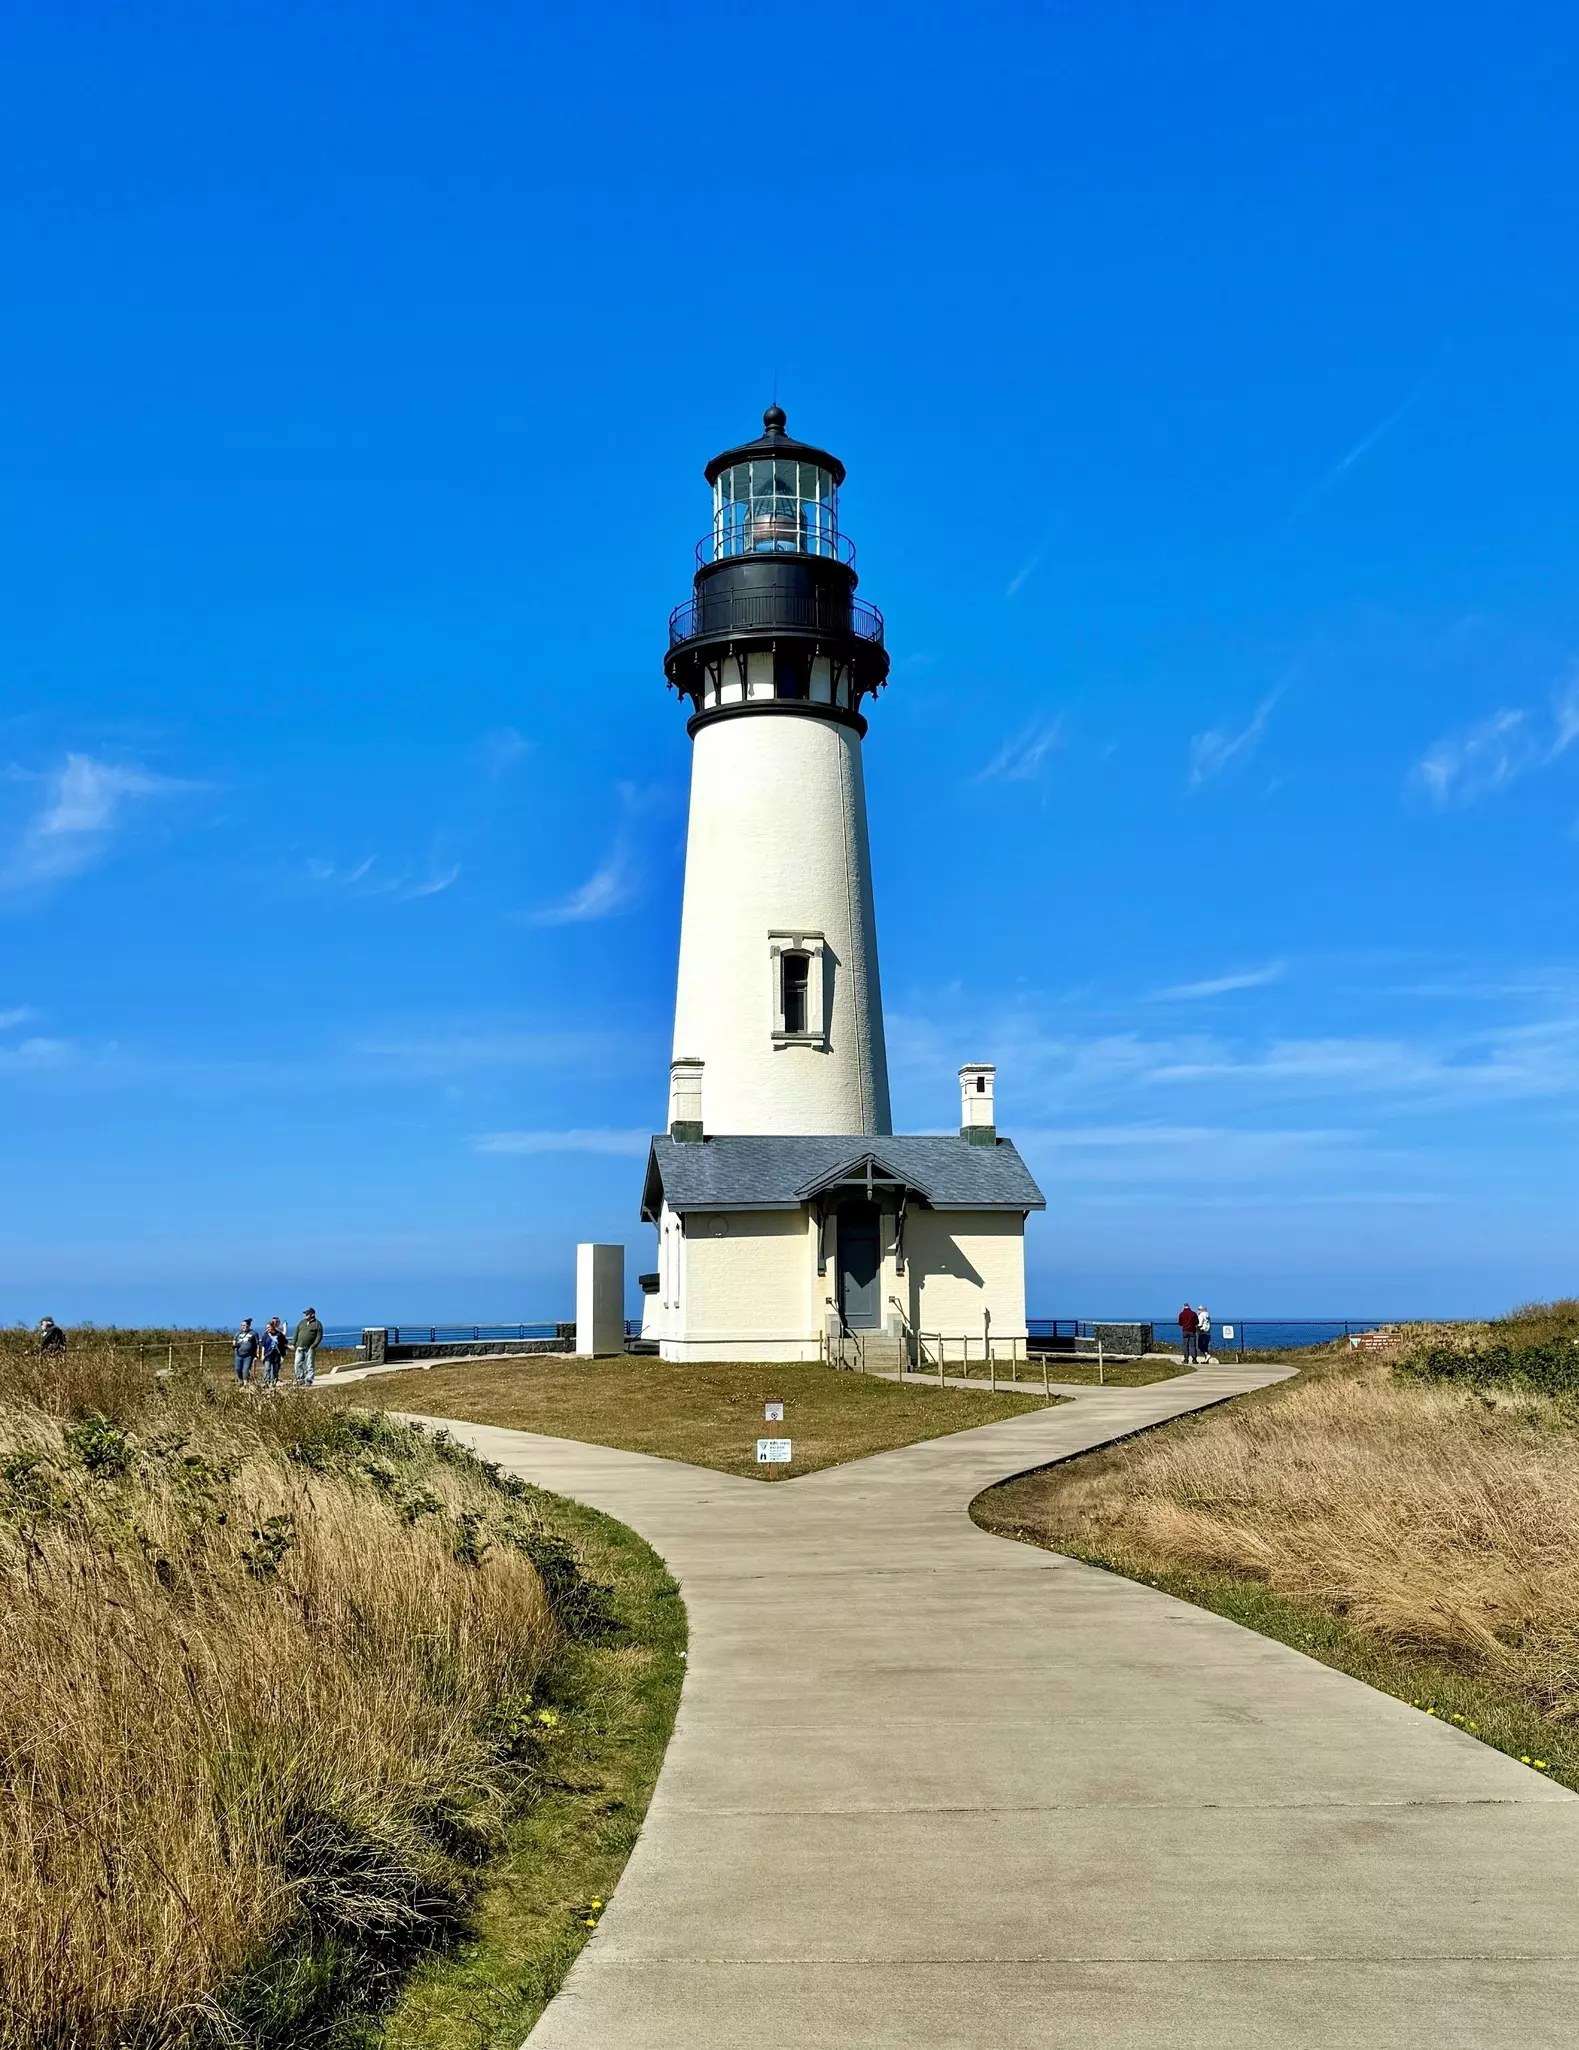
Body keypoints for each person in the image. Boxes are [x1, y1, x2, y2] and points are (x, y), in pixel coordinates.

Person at [293, 1307, 324, 1387]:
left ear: (312, 1314)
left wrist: (314, 1345)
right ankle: (300, 1379)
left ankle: (309, 1379)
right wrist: (293, 1343)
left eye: (307, 1313)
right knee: (297, 1363)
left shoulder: (317, 1324)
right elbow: (296, 1333)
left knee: (309, 1364)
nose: (305, 1315)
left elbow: (319, 1336)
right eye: (305, 1313)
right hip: (299, 1346)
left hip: (310, 1347)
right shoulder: (302, 1322)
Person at [259, 1319, 284, 1390]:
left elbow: (282, 1345)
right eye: (266, 1328)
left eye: (269, 1327)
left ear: (273, 1327)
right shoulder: (265, 1335)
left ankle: (273, 1382)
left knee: (275, 1370)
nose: (267, 1329)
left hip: (276, 1354)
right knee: (267, 1368)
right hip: (267, 1354)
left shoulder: (279, 1334)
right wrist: (262, 1355)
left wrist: (282, 1356)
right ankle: (266, 1382)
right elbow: (263, 1345)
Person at [233, 1317, 259, 1388]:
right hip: (238, 1354)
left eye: (244, 1325)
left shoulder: (253, 1333)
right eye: (242, 1325)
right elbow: (234, 1342)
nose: (243, 1327)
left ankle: (245, 1384)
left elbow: (257, 1344)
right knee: (238, 1369)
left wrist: (256, 1355)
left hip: (248, 1355)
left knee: (246, 1369)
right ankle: (240, 1381)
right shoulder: (238, 1334)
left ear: (248, 1325)